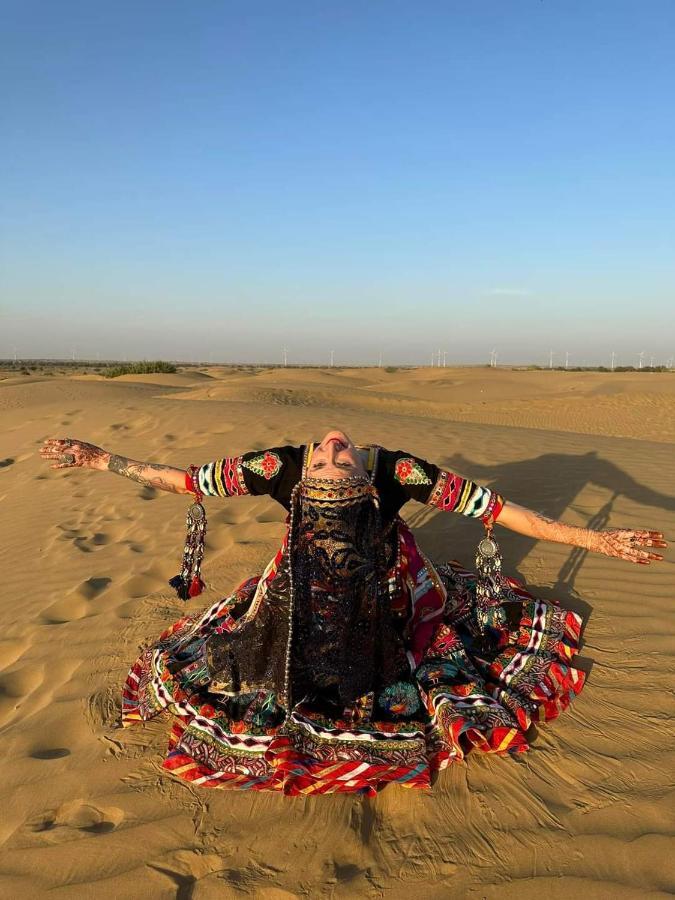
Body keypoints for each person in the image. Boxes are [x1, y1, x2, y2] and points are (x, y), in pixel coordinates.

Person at [40, 430, 667, 796]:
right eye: (328, 460)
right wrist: (596, 540)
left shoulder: (283, 467)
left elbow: (180, 479)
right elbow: (501, 513)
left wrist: (103, 458)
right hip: (332, 583)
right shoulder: (389, 469)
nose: (333, 450)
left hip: (355, 576)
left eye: (329, 459)